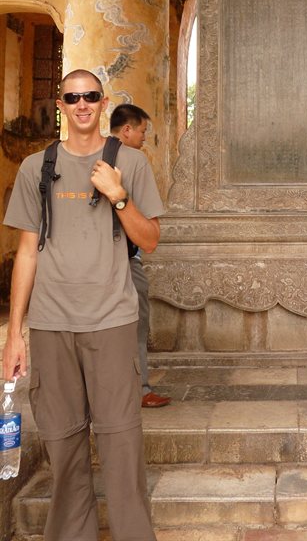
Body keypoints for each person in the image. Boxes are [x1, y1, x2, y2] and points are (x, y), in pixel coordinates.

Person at [2, 69, 163, 541]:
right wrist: (16, 333)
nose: (82, 104)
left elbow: (149, 239)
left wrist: (118, 197)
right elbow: (27, 252)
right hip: (52, 324)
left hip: (111, 320)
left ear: (103, 100)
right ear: (61, 103)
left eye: (90, 96)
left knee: (122, 443)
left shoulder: (130, 163)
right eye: (72, 97)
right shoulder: (37, 166)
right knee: (63, 444)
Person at [110, 103, 170, 408]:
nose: (145, 138)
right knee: (136, 324)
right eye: (143, 131)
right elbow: (149, 234)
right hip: (124, 255)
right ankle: (141, 389)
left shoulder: (82, 157)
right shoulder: (134, 160)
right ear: (127, 130)